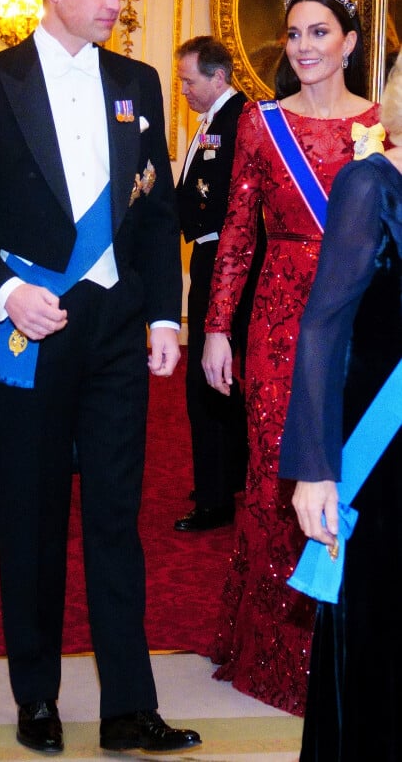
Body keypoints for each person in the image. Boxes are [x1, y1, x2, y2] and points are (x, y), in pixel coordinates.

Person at [0, 0, 202, 756]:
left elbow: (154, 217)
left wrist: (165, 317)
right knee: (33, 517)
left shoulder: (137, 81)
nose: (119, 4)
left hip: (119, 330)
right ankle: (37, 698)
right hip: (33, 328)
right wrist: (9, 293)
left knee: (118, 518)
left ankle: (128, 706)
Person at [201, 0, 382, 715]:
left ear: (350, 44)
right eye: (295, 33)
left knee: (356, 465)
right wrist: (216, 327)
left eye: (319, 33)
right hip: (278, 318)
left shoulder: (384, 124)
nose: (304, 46)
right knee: (283, 472)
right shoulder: (259, 124)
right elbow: (238, 237)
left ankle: (350, 647)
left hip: (366, 320)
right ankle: (278, 656)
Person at [279, 54, 401, 761]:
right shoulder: (370, 183)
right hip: (383, 459)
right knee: (379, 644)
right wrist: (314, 470)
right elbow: (322, 327)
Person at [173, 36, 248, 531]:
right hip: (210, 256)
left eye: (188, 80)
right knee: (220, 378)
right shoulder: (215, 121)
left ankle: (215, 498)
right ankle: (225, 478)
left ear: (217, 77)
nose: (183, 89)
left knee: (208, 378)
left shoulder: (239, 120)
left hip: (224, 262)